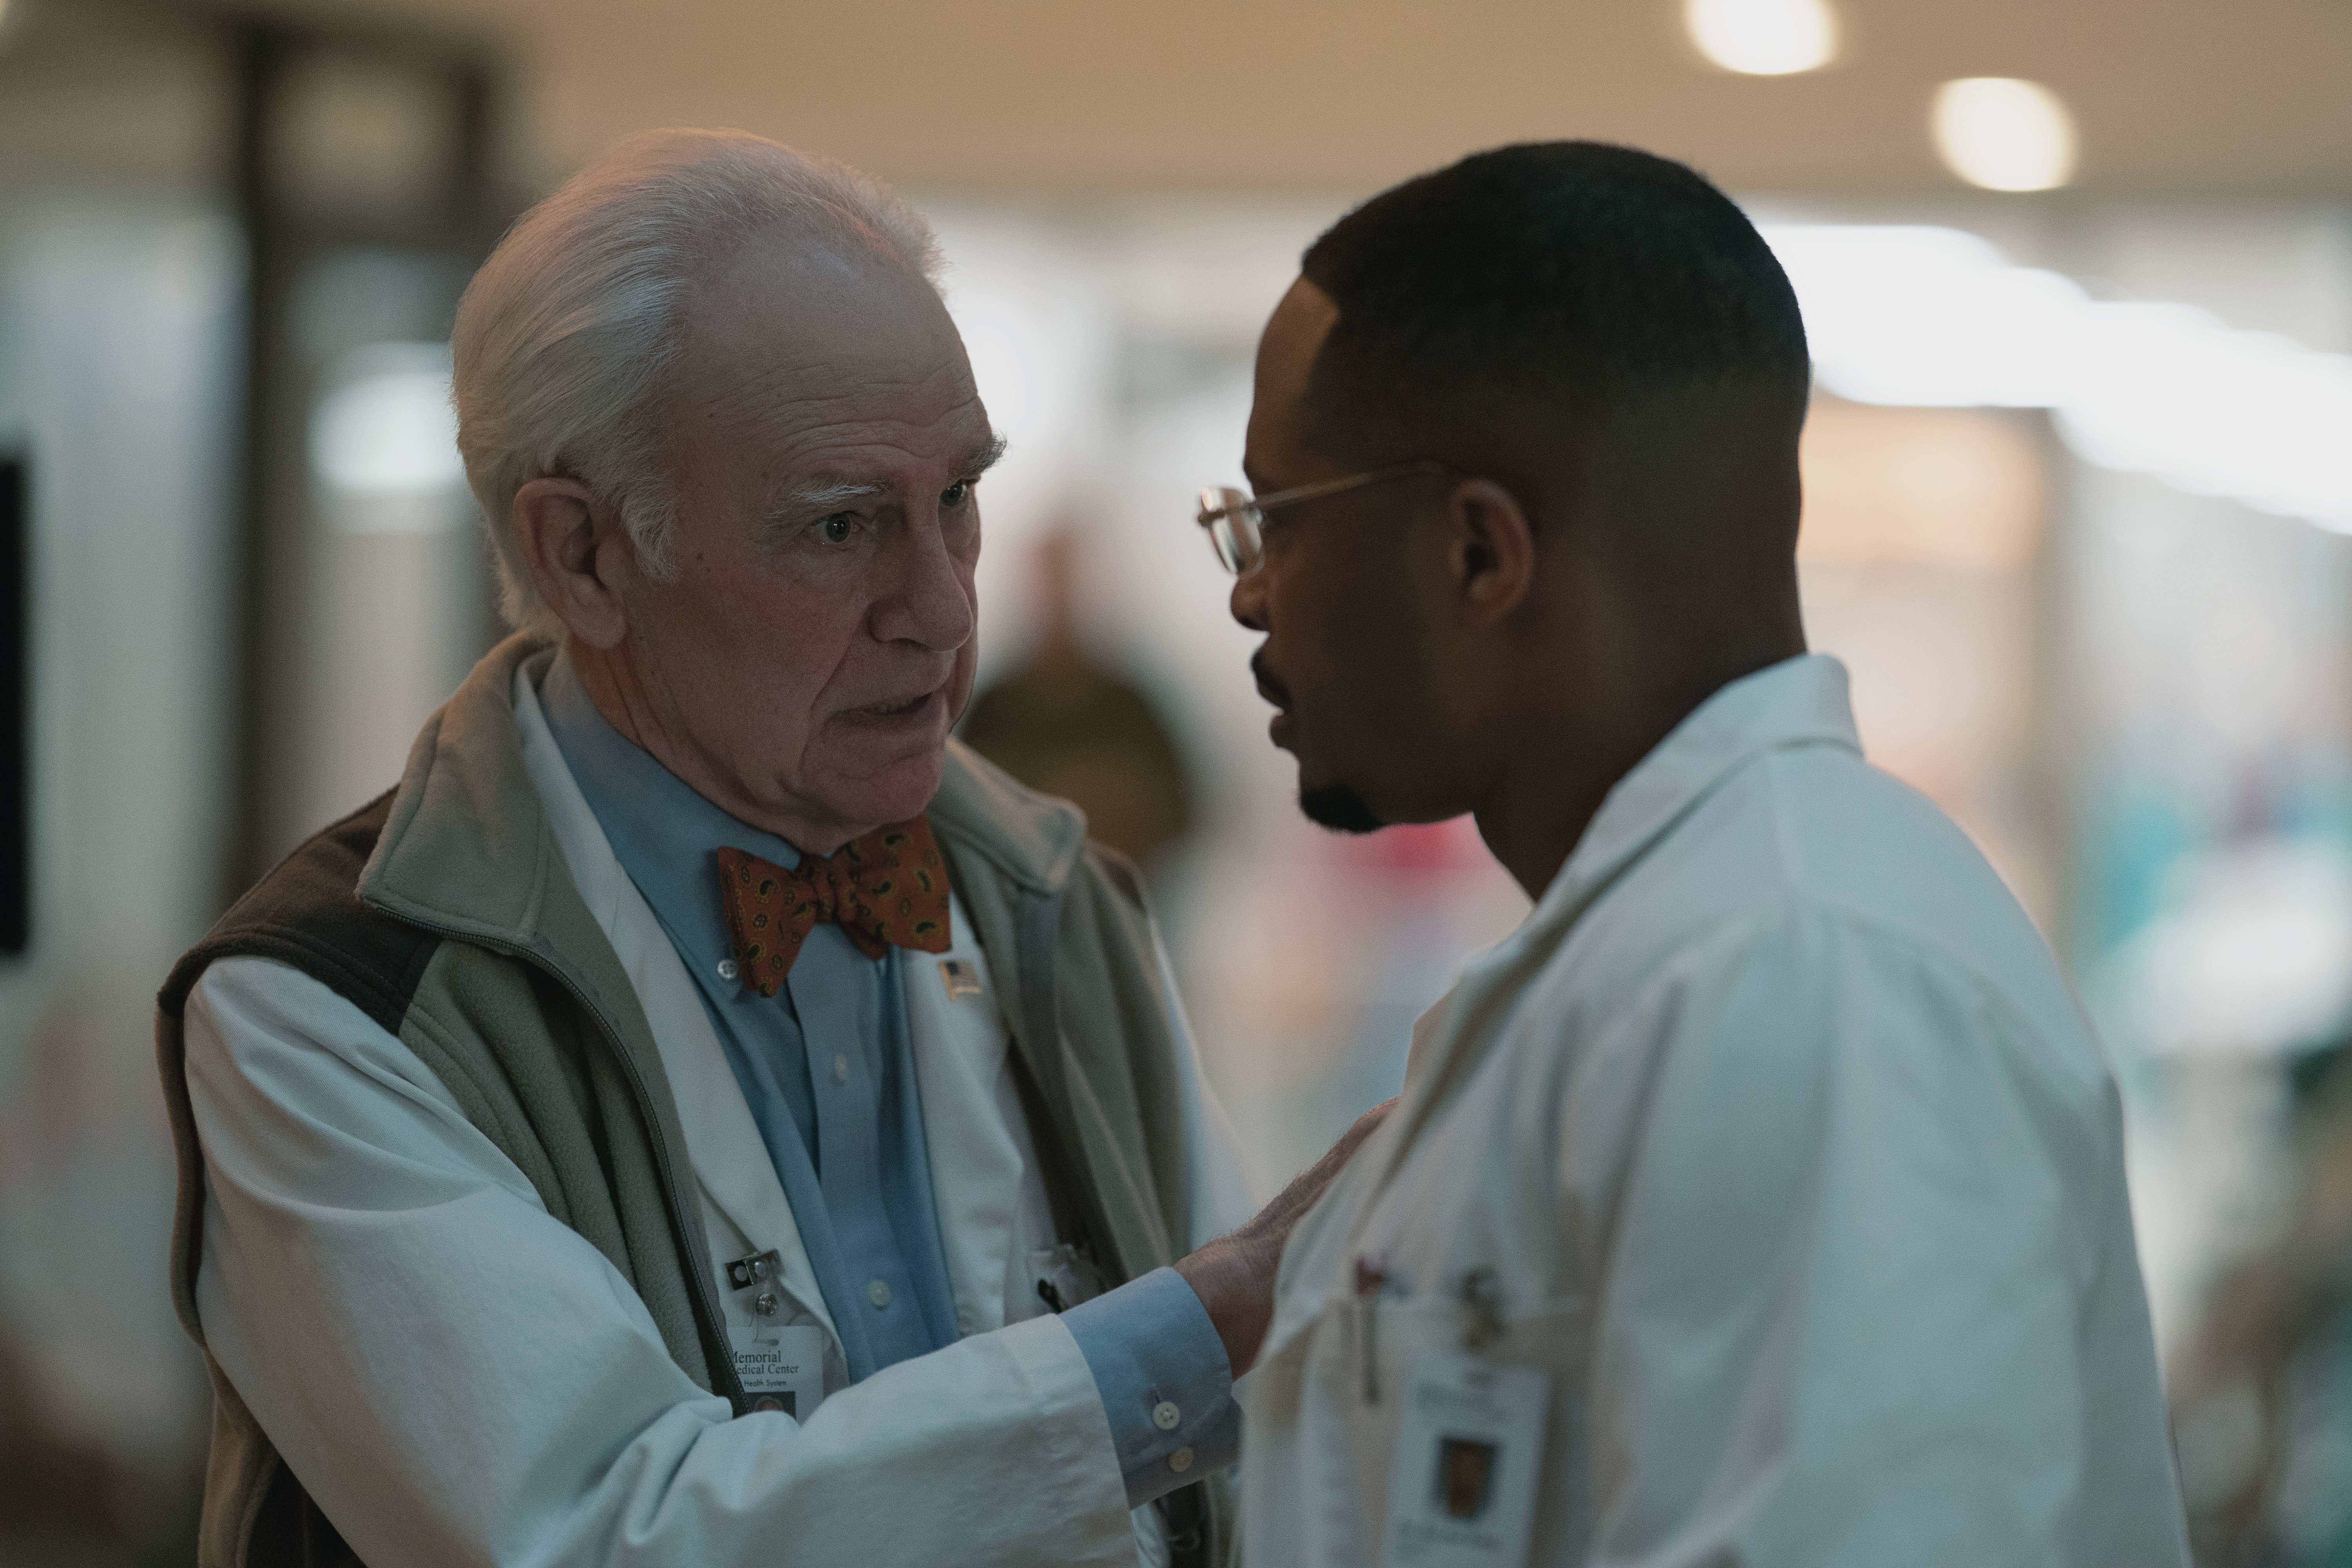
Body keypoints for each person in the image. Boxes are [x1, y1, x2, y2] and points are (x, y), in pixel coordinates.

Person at [153, 129, 1380, 1568]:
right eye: (841, 525)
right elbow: (600, 1537)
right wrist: (1216, 1313)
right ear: (583, 558)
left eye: (958, 500)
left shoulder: (1055, 898)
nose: (938, 607)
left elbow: (1263, 1477)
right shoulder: (334, 1007)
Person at [1205, 142, 2192, 1564]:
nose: (1244, 592)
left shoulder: (1801, 966)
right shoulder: (1674, 947)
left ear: (1481, 552)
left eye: (1274, 520)